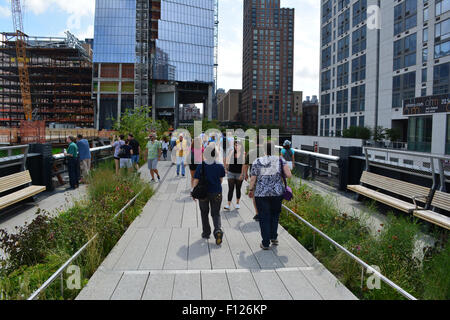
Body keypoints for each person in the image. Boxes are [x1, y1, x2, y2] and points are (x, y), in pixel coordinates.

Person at [248, 141, 292, 250]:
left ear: (263, 150)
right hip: (277, 193)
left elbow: (253, 178)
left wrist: (250, 189)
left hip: (261, 194)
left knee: (264, 217)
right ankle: (274, 237)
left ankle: (265, 243)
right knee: (275, 215)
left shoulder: (257, 161)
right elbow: (289, 175)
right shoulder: (281, 160)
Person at [192, 143, 225, 245]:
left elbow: (196, 180)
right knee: (216, 213)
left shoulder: (201, 166)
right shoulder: (219, 165)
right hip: (216, 192)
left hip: (203, 194)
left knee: (204, 213)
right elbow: (221, 180)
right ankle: (218, 230)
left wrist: (193, 192)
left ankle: (206, 233)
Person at [224, 141, 245, 210]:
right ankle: (228, 204)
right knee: (230, 189)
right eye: (235, 145)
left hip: (239, 173)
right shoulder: (231, 152)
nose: (237, 147)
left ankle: (237, 203)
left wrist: (242, 174)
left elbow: (243, 165)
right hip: (231, 173)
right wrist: (226, 168)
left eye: (238, 145)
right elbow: (226, 160)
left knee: (238, 188)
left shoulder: (243, 154)